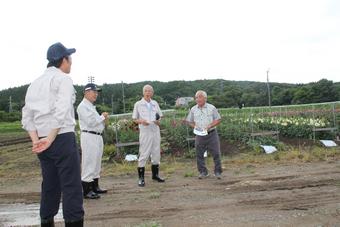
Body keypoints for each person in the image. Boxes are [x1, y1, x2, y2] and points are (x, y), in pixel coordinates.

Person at [21, 42, 84, 227]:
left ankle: (46, 221)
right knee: (71, 186)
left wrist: (37, 140)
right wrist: (50, 138)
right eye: (69, 58)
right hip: (61, 137)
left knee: (50, 185)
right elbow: (62, 110)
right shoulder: (63, 79)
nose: (71, 62)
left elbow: (27, 115)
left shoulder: (35, 83)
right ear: (63, 60)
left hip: (41, 141)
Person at [77, 83, 109, 199]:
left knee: (96, 162)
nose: (96, 94)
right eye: (94, 92)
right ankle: (87, 190)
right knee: (89, 162)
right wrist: (102, 117)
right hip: (89, 136)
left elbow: (96, 122)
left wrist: (102, 119)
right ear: (86, 92)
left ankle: (95, 186)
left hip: (97, 136)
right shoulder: (82, 106)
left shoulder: (90, 106)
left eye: (97, 92)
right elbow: (91, 122)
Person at [132, 84, 165, 187]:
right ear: (143, 92)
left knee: (156, 153)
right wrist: (141, 121)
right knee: (144, 153)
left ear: (152, 93)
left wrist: (158, 122)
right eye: (146, 91)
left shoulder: (155, 103)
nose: (148, 92)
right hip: (145, 131)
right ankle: (141, 178)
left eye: (150, 91)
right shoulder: (138, 104)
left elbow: (160, 117)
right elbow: (134, 119)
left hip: (155, 130)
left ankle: (155, 175)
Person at [186, 90, 223, 179]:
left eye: (200, 97)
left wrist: (210, 125)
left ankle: (217, 171)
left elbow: (218, 119)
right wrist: (195, 127)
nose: (198, 99)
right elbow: (189, 121)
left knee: (216, 153)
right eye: (196, 97)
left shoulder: (212, 108)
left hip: (211, 134)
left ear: (205, 98)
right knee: (199, 154)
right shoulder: (193, 109)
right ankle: (203, 172)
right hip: (199, 135)